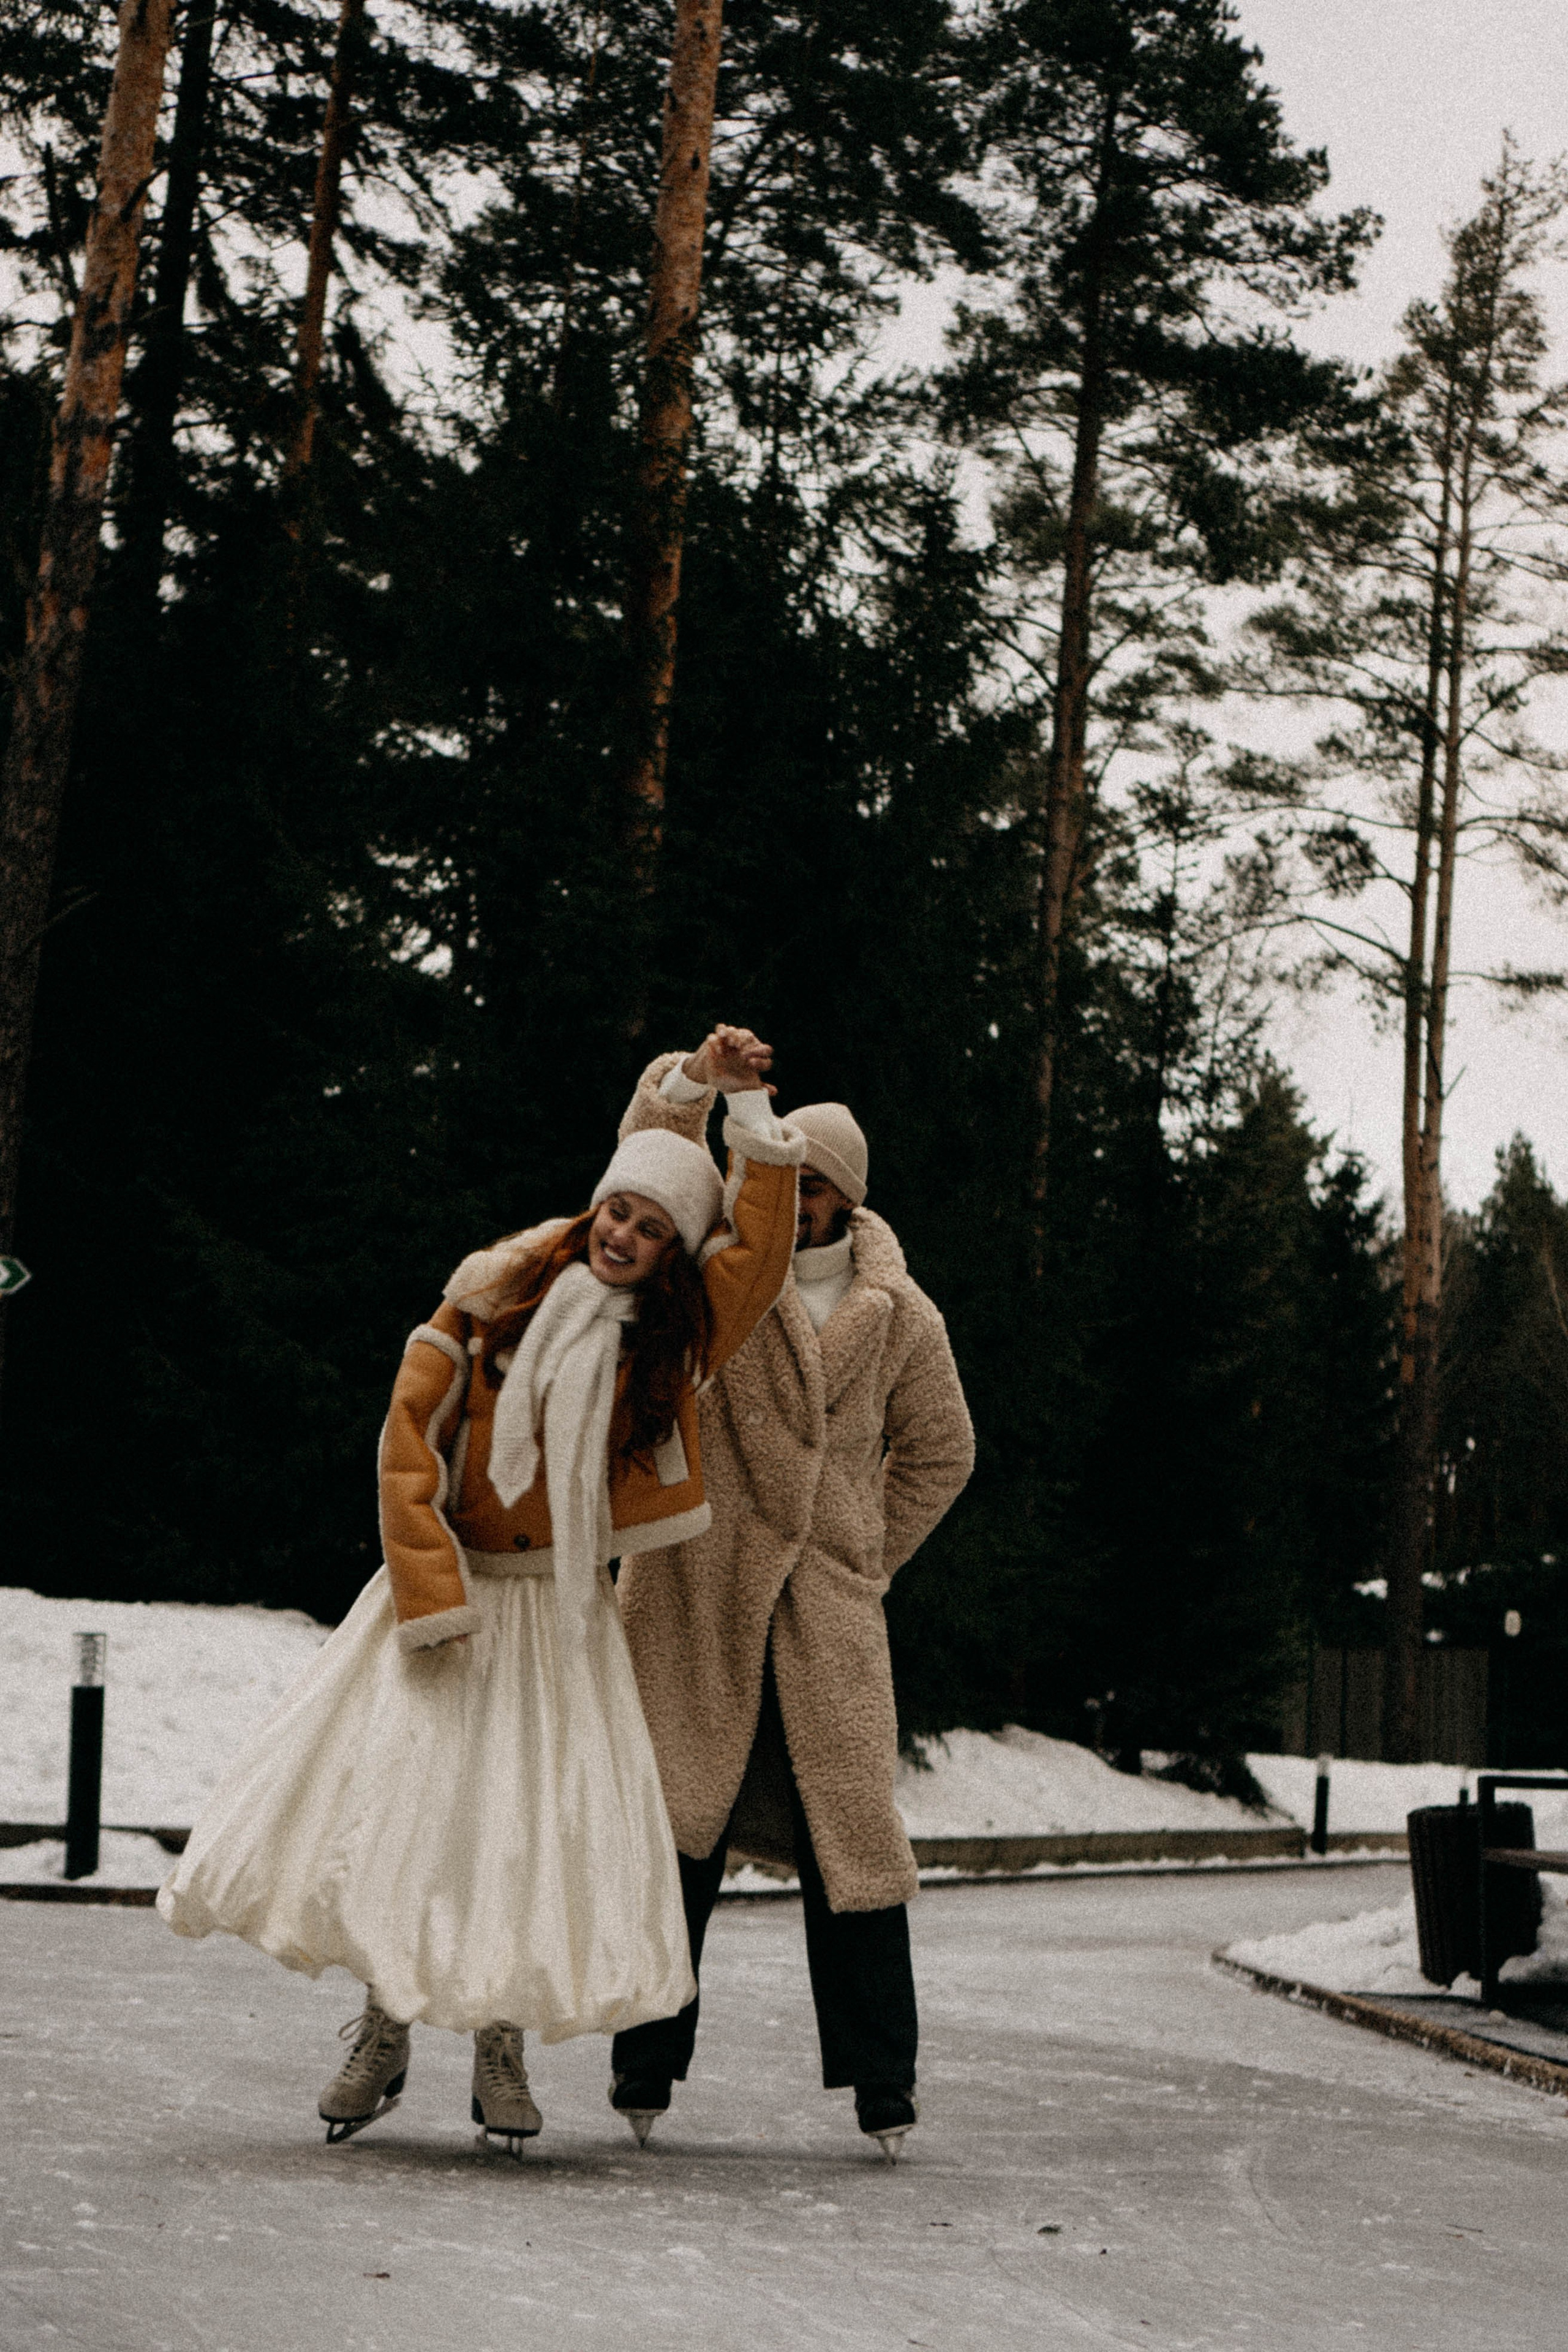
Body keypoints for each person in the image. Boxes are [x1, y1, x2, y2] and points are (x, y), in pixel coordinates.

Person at [158, 1027, 805, 2151]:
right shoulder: (491, 1292)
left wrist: (748, 1122)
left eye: (654, 1232)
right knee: (410, 1818)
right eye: (619, 1213)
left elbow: (753, 1256)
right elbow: (408, 1445)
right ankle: (387, 2024)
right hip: (450, 1602)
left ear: (669, 1258)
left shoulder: (669, 1348)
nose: (627, 1236)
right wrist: (429, 1596)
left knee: (529, 1833)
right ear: (595, 1208)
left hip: (559, 1618)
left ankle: (499, 2040)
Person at [605, 1052, 974, 2160]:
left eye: (813, 1183)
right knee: (674, 1833)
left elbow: (942, 1455)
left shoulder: (903, 1317)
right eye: (784, 1176)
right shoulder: (721, 1268)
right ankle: (641, 2066)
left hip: (824, 1610)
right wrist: (691, 1080)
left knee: (854, 1847)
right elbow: (644, 1163)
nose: (792, 1194)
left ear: (849, 1197)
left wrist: (860, 1556)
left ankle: (885, 2086)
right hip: (699, 1587)